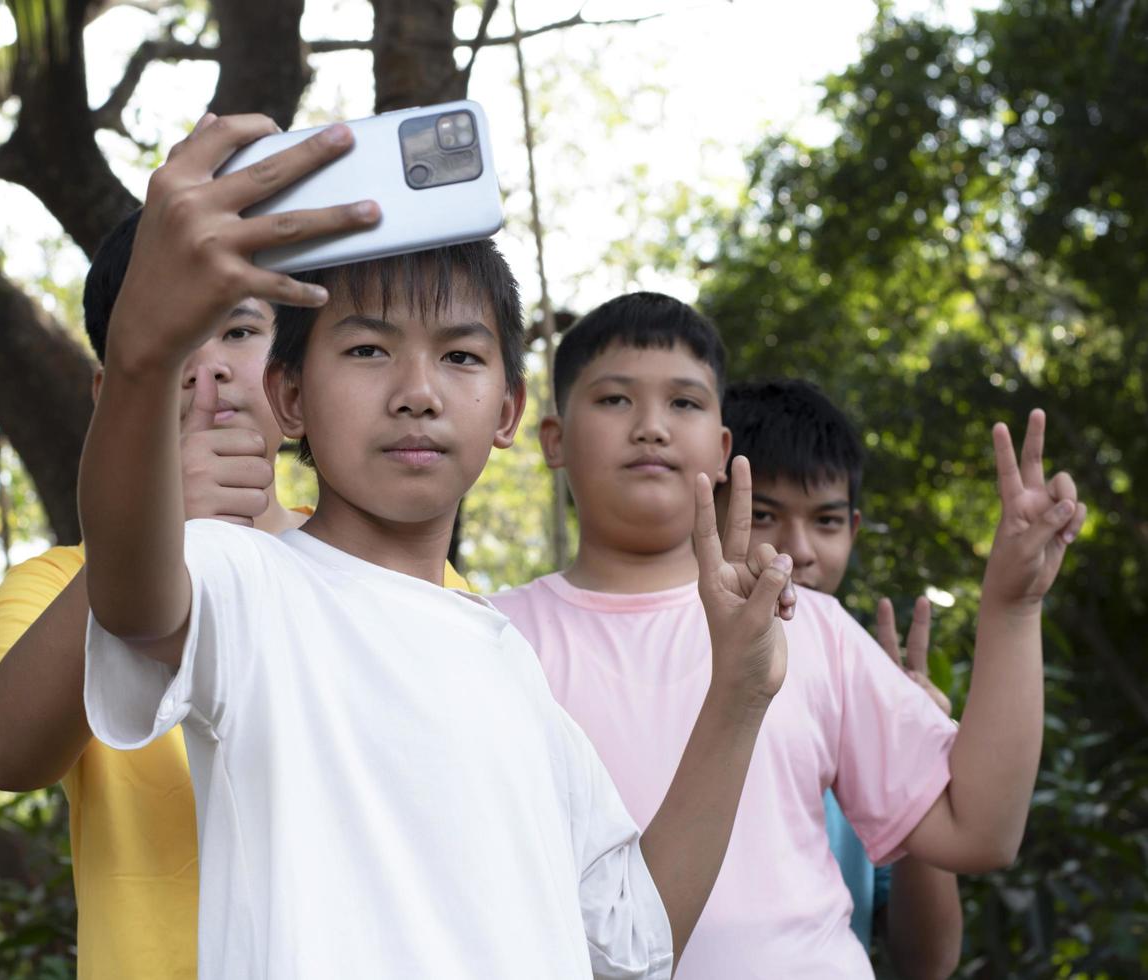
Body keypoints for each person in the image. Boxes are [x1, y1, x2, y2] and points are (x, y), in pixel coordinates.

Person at [76, 111, 797, 978]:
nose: (417, 392)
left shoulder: (508, 661)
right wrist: (144, 352)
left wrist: (741, 694)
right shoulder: (244, 578)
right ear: (290, 396)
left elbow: (633, 941)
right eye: (371, 348)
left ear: (507, 413)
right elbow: (131, 598)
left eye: (460, 357)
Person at [490, 292, 1085, 978]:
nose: (651, 426)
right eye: (615, 400)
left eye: (683, 402)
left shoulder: (810, 625)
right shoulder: (497, 640)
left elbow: (978, 828)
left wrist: (1011, 607)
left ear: (721, 445)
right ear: (554, 439)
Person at [0, 207, 471, 978]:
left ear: (293, 371)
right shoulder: (55, 584)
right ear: (114, 390)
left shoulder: (399, 568)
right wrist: (147, 529)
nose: (209, 368)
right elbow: (4, 752)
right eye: (170, 342)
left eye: (238, 331)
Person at [722, 378, 962, 978]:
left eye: (826, 522)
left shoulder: (859, 685)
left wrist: (918, 772)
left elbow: (926, 963)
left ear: (853, 529)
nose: (798, 550)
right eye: (765, 515)